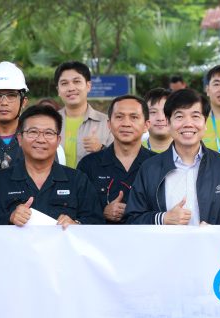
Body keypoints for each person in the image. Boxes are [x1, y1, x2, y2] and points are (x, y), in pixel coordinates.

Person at [124, 89, 220, 225]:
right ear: (168, 123)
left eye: (195, 116)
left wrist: (214, 231)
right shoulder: (149, 168)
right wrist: (163, 218)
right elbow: (133, 218)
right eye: (179, 116)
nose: (188, 123)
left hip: (210, 240)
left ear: (205, 123)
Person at [0, 105, 104, 227]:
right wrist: (10, 217)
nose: (41, 140)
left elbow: (96, 222)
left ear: (58, 140)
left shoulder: (78, 180)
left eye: (48, 133)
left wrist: (76, 225)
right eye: (33, 132)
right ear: (19, 139)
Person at [77, 95, 156, 224]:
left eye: (134, 117)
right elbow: (78, 212)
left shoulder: (157, 164)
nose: (126, 123)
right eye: (119, 117)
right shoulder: (88, 164)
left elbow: (165, 209)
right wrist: (102, 212)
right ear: (109, 124)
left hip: (146, 236)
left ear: (146, 125)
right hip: (101, 236)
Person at [55, 61, 113, 168]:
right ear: (58, 90)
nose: (71, 88)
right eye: (64, 83)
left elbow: (120, 161)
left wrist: (101, 149)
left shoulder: (107, 123)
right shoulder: (49, 123)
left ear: (88, 86)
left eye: (77, 81)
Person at [142, 88, 172, 153]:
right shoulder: (135, 150)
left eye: (165, 112)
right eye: (153, 112)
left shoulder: (189, 148)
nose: (160, 118)